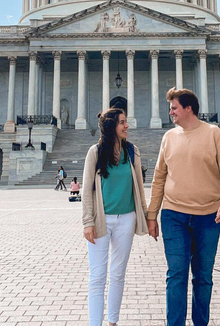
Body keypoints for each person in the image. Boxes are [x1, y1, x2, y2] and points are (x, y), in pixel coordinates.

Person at [147, 88, 220, 326]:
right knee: (176, 275)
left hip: (208, 217)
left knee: (203, 277)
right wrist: (151, 215)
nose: (171, 112)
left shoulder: (213, 133)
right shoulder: (168, 137)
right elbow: (159, 178)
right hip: (173, 215)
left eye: (174, 107)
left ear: (189, 108)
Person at [82, 108, 148, 326]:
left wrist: (147, 216)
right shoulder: (95, 152)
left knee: (118, 274)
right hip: (101, 220)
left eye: (126, 121)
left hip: (126, 218)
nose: (127, 125)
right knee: (98, 277)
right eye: (122, 122)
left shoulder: (133, 152)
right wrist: (87, 222)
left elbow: (139, 185)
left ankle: (112, 322)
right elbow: (86, 190)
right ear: (112, 126)